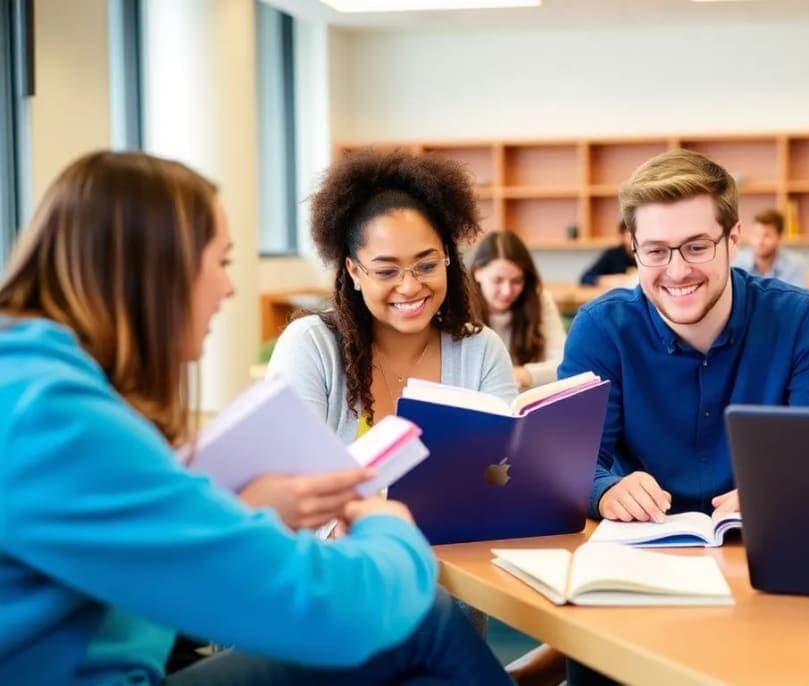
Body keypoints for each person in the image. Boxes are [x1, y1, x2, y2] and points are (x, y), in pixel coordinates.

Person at [0, 151, 510, 684]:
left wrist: (237, 512)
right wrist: (390, 528)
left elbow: (151, 551)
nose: (229, 289)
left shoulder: (37, 385)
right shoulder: (56, 418)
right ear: (155, 269)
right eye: (220, 262)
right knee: (423, 621)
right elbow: (328, 608)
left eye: (426, 264)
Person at [562, 148, 809, 523]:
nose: (677, 271)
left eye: (697, 247)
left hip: (767, 536)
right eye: (655, 251)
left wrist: (784, 488)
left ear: (733, 240)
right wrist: (605, 490)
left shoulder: (802, 320)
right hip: (637, 544)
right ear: (633, 249)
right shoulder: (600, 329)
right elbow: (568, 464)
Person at [267, 148, 517, 444]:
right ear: (354, 272)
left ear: (447, 260)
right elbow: (291, 466)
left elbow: (504, 463)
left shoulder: (481, 352)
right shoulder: (312, 347)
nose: (409, 286)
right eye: (386, 271)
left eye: (427, 266)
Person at [471, 230, 567, 390]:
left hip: (527, 397)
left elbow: (564, 363)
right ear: (477, 273)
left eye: (516, 281)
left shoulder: (539, 300)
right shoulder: (460, 305)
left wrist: (525, 374)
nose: (507, 291)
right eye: (498, 280)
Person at [732, 208, 807, 287]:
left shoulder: (794, 265)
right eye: (756, 234)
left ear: (779, 237)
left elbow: (796, 294)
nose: (760, 241)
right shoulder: (736, 262)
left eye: (767, 235)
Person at [579, 219, 636, 287]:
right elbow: (585, 278)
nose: (635, 238)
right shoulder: (613, 255)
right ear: (622, 235)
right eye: (630, 234)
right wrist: (608, 280)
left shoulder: (646, 254)